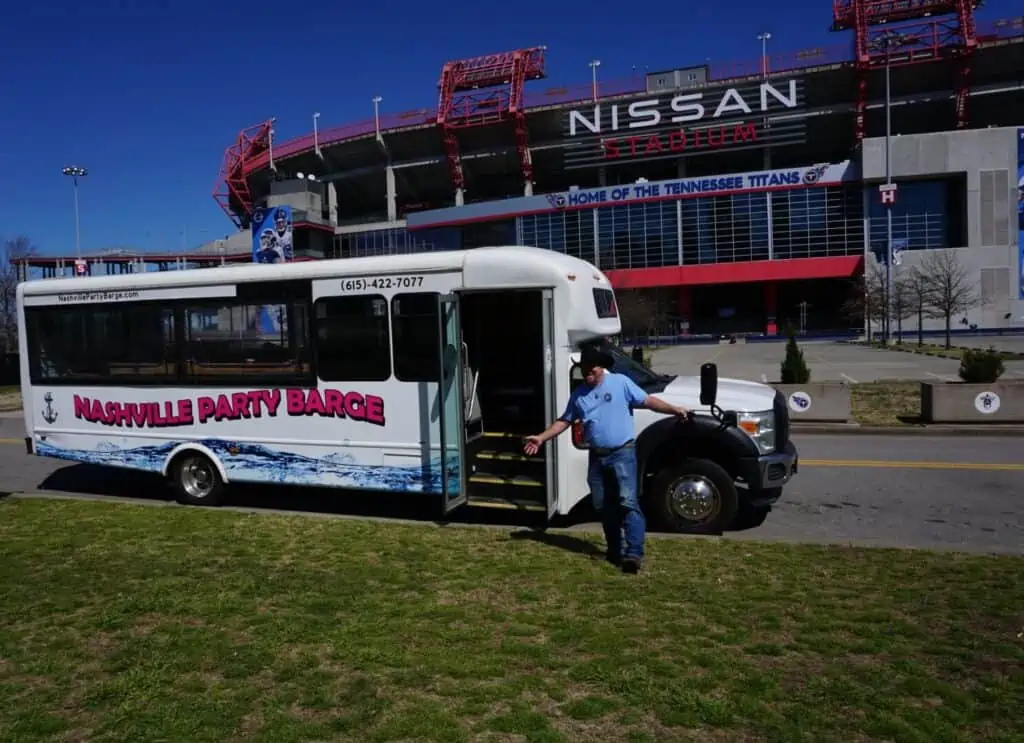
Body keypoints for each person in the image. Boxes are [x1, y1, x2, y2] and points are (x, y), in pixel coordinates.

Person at [523, 347, 690, 573]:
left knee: (627, 502)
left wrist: (674, 410)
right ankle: (614, 550)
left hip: (622, 452)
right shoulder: (579, 394)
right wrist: (541, 438)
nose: (586, 374)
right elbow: (564, 421)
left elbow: (648, 401)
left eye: (590, 369)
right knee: (602, 504)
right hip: (597, 456)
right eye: (583, 370)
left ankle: (633, 554)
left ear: (601, 368)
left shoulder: (620, 382)